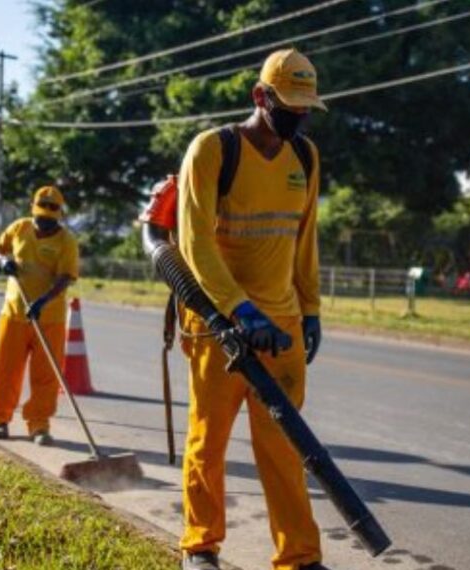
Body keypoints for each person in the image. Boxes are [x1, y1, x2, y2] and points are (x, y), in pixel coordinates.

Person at [177, 49, 328, 570]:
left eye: (306, 108)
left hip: (280, 323)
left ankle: (300, 557)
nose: (298, 116)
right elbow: (194, 245)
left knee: (286, 447)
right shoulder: (213, 150)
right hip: (218, 322)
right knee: (208, 440)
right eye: (289, 105)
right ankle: (200, 546)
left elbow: (304, 239)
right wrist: (239, 310)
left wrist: (309, 308)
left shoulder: (304, 157)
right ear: (260, 97)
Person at [0, 185, 80, 446]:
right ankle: (0, 419)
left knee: (45, 376)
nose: (44, 223)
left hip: (49, 319)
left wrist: (43, 301)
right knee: (5, 370)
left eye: (50, 219)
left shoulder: (66, 241)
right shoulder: (19, 228)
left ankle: (39, 425)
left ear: (58, 215)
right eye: (40, 217)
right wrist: (2, 261)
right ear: (34, 211)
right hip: (13, 314)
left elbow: (65, 278)